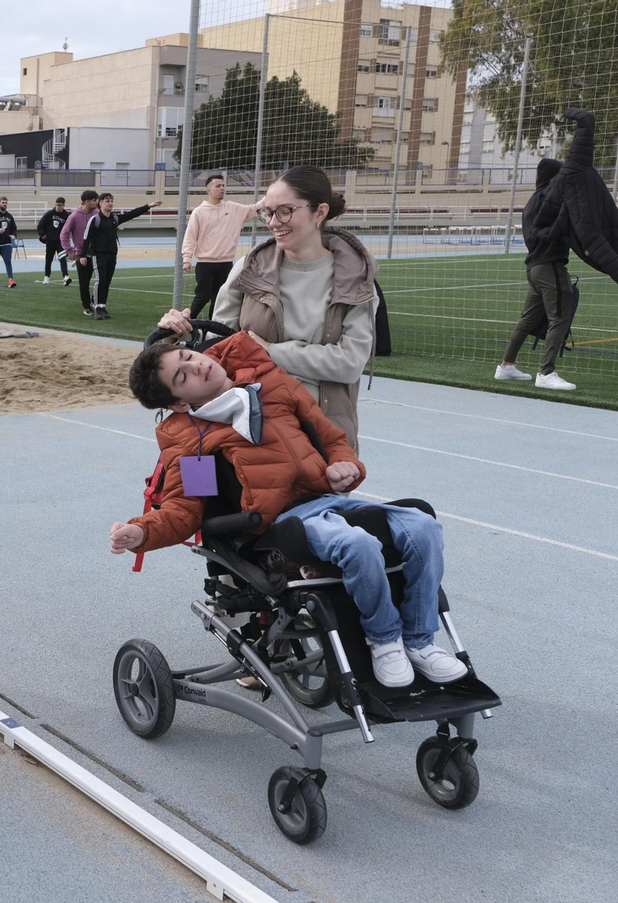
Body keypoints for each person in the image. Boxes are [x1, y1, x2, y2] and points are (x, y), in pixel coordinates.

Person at [114, 334, 468, 688]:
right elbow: (186, 511)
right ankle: (385, 641)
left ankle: (420, 642)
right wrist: (142, 532)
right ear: (178, 404)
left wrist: (344, 466)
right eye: (182, 376)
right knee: (357, 545)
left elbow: (332, 440)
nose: (196, 365)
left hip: (331, 501)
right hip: (280, 525)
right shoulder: (195, 441)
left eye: (188, 355)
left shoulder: (273, 383)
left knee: (424, 528)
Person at [156, 166, 376, 451]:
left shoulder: (357, 280)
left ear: (320, 212)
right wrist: (184, 336)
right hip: (249, 435)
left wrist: (268, 351)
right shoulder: (249, 268)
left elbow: (348, 364)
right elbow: (218, 348)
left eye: (285, 211)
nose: (273, 222)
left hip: (323, 440)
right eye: (268, 212)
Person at [497, 158, 577, 390]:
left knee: (527, 320)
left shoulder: (532, 201)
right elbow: (565, 222)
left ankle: (506, 366)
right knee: (560, 318)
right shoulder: (551, 199)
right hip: (550, 265)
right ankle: (546, 373)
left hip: (534, 267)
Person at [182, 173, 264, 318]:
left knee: (219, 298)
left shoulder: (233, 208)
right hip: (205, 263)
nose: (222, 188)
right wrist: (186, 258)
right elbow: (190, 236)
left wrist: (269, 197)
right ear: (208, 190)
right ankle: (187, 322)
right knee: (203, 296)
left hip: (226, 263)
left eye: (223, 185)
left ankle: (212, 328)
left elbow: (254, 209)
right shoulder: (199, 212)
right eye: (218, 186)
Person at [81, 192, 162, 320]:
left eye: (112, 200)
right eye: (107, 201)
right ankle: (97, 307)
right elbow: (86, 238)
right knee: (100, 280)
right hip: (98, 255)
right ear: (100, 203)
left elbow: (132, 214)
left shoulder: (115, 219)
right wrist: (83, 255)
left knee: (107, 282)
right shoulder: (95, 219)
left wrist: (149, 206)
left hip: (112, 255)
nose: (110, 203)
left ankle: (102, 306)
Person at [61, 189, 99, 314]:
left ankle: (96, 300)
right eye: (94, 200)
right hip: (81, 254)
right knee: (84, 281)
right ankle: (87, 305)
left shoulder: (97, 214)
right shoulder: (74, 216)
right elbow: (64, 234)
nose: (96, 202)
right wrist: (69, 251)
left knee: (102, 279)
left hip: (97, 253)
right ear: (87, 201)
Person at [36, 197, 70, 285]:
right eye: (57, 205)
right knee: (48, 259)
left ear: (64, 205)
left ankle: (65, 276)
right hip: (50, 241)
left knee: (62, 259)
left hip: (60, 242)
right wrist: (42, 234)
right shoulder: (49, 214)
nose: (58, 207)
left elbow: (69, 227)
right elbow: (40, 224)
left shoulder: (66, 215)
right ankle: (47, 276)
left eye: (60, 205)